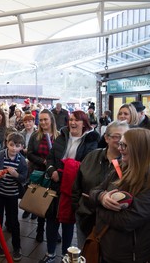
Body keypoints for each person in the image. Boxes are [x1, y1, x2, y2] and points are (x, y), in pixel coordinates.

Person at [89, 128, 150, 263]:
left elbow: (127, 221)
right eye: (120, 144)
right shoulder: (123, 166)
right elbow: (94, 192)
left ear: (139, 148)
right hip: (107, 248)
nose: (120, 148)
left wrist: (99, 208)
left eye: (124, 145)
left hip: (131, 256)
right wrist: (102, 197)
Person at [40, 110, 99, 263]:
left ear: (84, 123)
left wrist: (65, 173)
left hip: (73, 187)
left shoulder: (91, 140)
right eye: (71, 119)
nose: (72, 123)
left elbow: (87, 164)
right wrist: (52, 170)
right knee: (51, 220)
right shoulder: (63, 135)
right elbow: (51, 156)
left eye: (77, 120)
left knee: (68, 222)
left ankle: (67, 255)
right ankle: (50, 253)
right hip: (55, 183)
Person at [71, 120, 130, 249]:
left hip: (112, 224)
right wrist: (78, 208)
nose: (121, 140)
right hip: (86, 217)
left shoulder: (130, 163)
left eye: (125, 136)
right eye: (117, 136)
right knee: (86, 252)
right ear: (106, 138)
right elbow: (77, 185)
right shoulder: (92, 156)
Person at [0, 132, 28, 262]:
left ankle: (17, 247)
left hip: (12, 195)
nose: (14, 148)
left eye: (17, 146)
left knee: (14, 221)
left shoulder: (21, 160)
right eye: (11, 145)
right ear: (7, 143)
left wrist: (16, 174)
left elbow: (23, 178)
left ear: (22, 147)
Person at [25, 109, 59, 241]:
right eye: (41, 119)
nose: (43, 122)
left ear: (51, 120)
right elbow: (30, 154)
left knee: (52, 202)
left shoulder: (59, 136)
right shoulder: (35, 135)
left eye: (46, 119)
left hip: (53, 173)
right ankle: (40, 230)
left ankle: (54, 231)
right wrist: (43, 161)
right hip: (38, 172)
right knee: (40, 201)